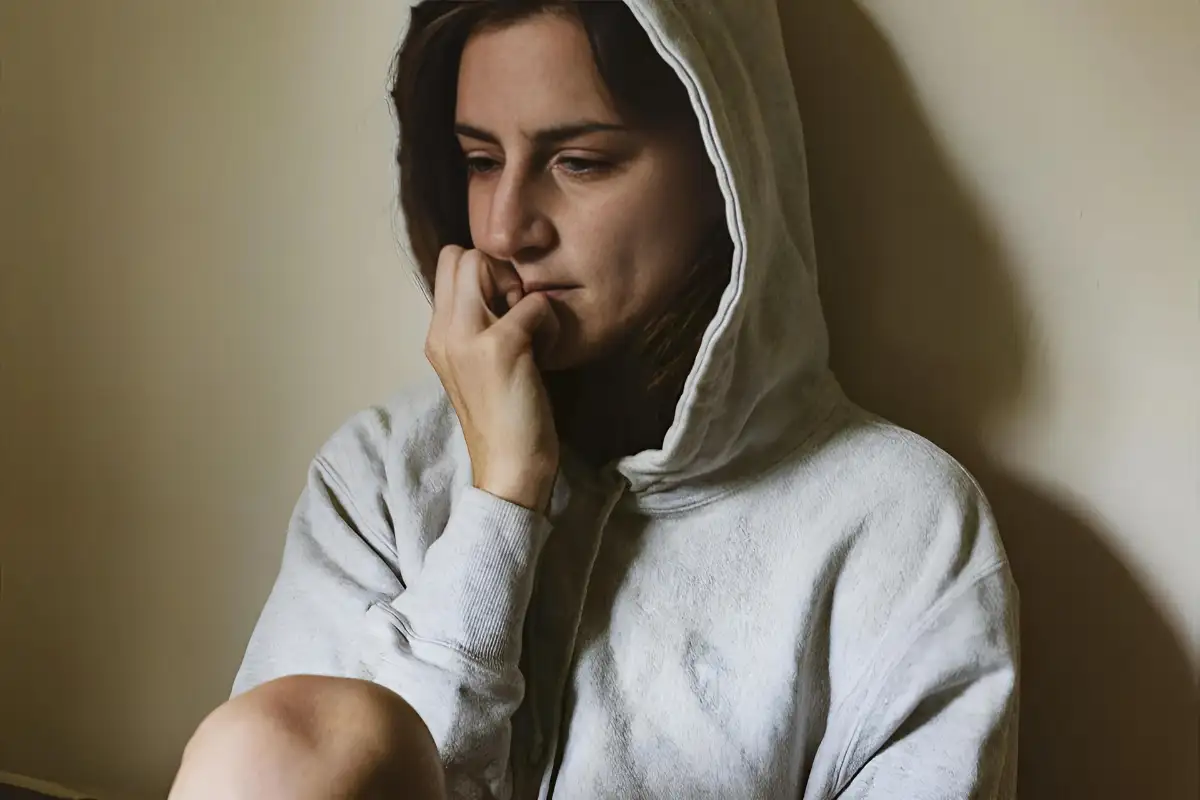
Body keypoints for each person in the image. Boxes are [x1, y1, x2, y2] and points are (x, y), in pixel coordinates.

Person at [170, 0, 1019, 798]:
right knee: (276, 739)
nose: (505, 229)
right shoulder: (380, 480)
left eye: (579, 162)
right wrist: (501, 501)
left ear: (727, 168)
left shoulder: (901, 530)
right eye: (479, 161)